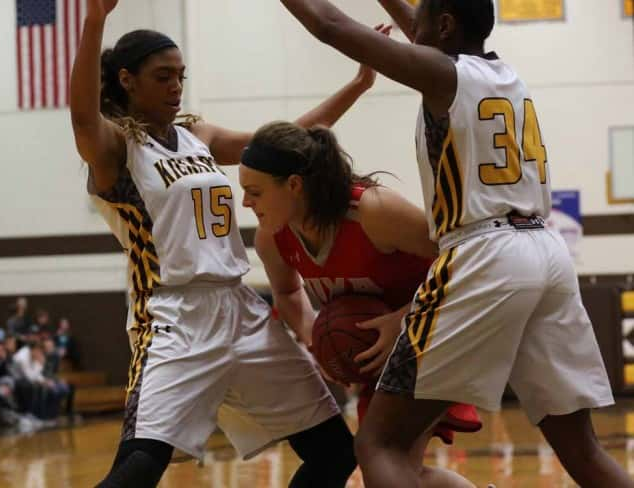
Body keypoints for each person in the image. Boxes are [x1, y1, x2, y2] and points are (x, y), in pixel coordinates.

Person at [276, 1, 631, 487]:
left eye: (419, 23)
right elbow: (425, 41)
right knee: (583, 450)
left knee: (380, 443)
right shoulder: (501, 75)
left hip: (484, 252)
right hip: (545, 253)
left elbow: (329, 25)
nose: (410, 35)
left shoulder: (446, 76)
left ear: (444, 26)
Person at [71, 1, 388, 486]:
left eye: (181, 75)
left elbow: (288, 143)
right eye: (162, 76)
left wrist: (358, 86)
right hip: (173, 317)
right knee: (138, 470)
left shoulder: (196, 135)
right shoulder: (116, 148)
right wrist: (94, 21)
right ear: (126, 80)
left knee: (335, 454)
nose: (177, 86)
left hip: (242, 311)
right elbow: (81, 118)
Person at [240, 121, 480, 487]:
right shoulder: (273, 238)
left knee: (382, 458)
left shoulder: (373, 211)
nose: (245, 202)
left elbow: (465, 262)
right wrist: (313, 339)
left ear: (293, 185)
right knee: (392, 470)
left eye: (254, 192)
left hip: (436, 338)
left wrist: (405, 318)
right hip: (384, 361)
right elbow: (288, 293)